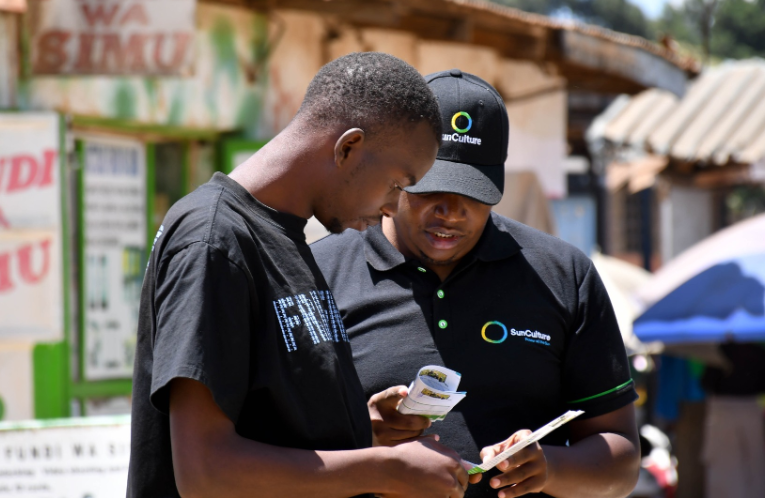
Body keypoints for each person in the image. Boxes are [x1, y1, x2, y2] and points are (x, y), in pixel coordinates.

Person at [127, 53, 472, 498]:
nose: (392, 207)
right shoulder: (214, 241)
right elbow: (205, 472)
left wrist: (358, 428)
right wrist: (382, 468)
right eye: (396, 184)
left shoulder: (287, 237)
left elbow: (266, 417)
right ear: (348, 148)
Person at [312, 70, 641, 498]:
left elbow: (621, 459)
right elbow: (271, 446)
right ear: (399, 174)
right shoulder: (317, 275)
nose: (452, 212)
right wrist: (362, 435)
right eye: (432, 189)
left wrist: (548, 467)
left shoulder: (564, 276)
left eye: (473, 192)